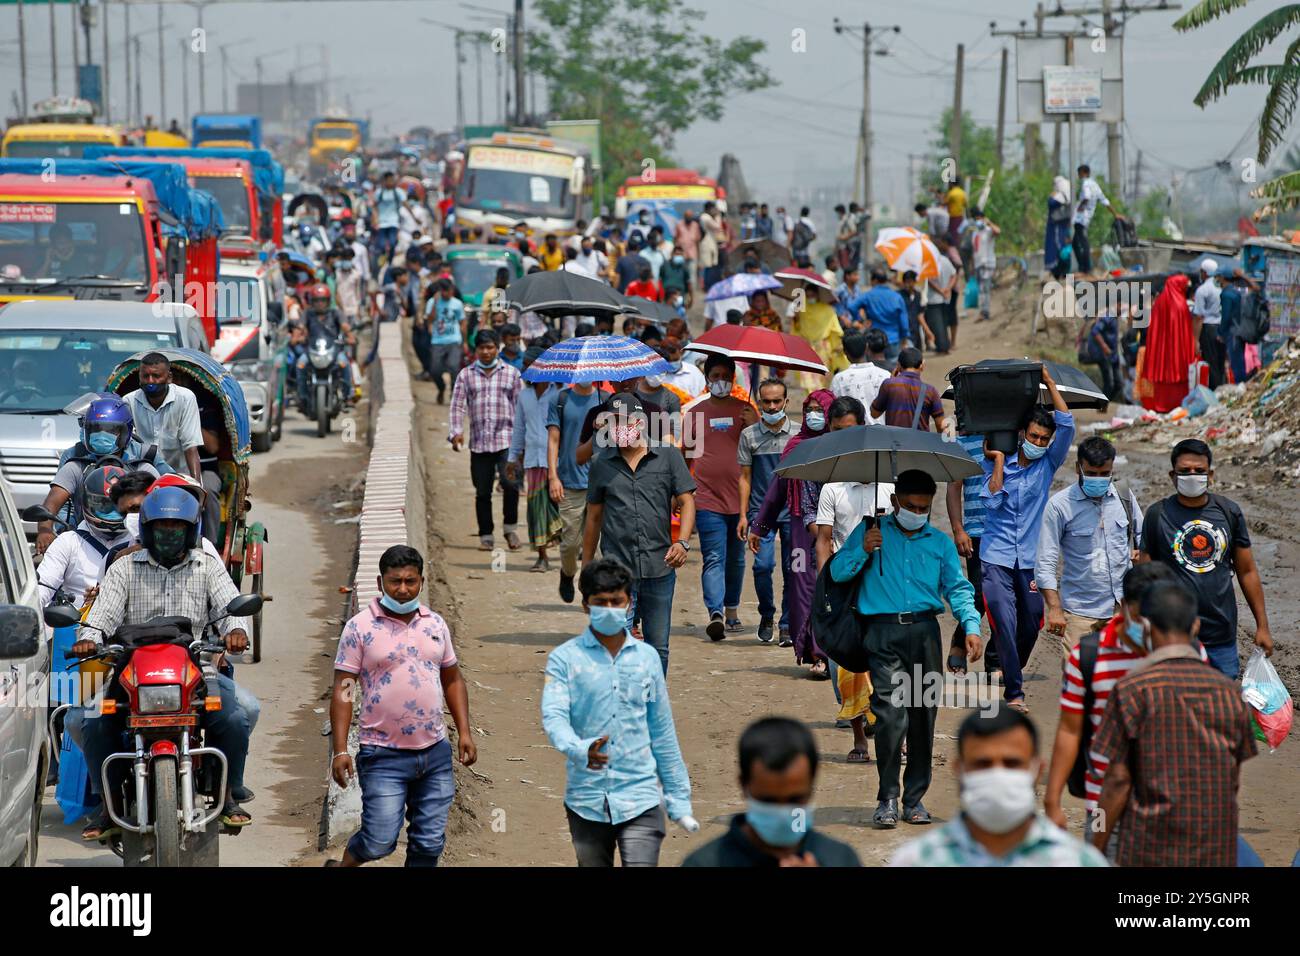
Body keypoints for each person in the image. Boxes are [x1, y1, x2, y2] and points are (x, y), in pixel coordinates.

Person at [72, 487, 255, 834]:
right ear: (146, 528)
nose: (169, 534)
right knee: (93, 722)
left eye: (177, 527)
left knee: (234, 716)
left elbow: (231, 608)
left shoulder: (207, 567)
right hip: (131, 670)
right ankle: (107, 806)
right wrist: (88, 640)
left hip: (194, 668)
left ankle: (227, 793)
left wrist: (236, 631)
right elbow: (100, 617)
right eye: (161, 527)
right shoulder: (125, 568)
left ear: (191, 530)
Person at [830, 469, 980, 827]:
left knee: (922, 719)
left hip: (926, 635)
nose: (917, 511)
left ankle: (915, 799)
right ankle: (887, 798)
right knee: (890, 717)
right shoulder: (870, 533)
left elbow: (957, 588)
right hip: (882, 636)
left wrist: (971, 625)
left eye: (924, 507)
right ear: (895, 502)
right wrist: (862, 552)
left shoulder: (940, 543)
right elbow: (837, 574)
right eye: (910, 505)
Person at [541, 558, 697, 866]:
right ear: (585, 605)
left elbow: (662, 729)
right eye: (601, 602)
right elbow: (554, 717)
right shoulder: (564, 660)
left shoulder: (648, 659)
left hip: (641, 798)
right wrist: (579, 748)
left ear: (628, 604)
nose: (610, 608)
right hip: (586, 800)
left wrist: (678, 797)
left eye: (617, 601)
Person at [328, 545, 475, 867]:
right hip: (382, 754)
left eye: (411, 581)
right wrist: (340, 750)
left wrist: (464, 732)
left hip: (434, 752)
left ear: (422, 581)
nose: (404, 589)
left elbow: (452, 679)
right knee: (379, 841)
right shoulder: (360, 628)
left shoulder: (435, 625)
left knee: (429, 843)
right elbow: (344, 690)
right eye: (396, 581)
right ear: (381, 583)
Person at [1091, 582, 1256, 866]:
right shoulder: (1231, 694)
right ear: (1194, 627)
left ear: (1146, 628)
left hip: (1149, 847)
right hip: (1214, 846)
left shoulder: (1132, 690)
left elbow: (1116, 781)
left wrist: (1095, 845)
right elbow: (1233, 778)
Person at [1044, 561, 1205, 850]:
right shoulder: (1090, 655)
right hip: (1102, 805)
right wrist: (1052, 799)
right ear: (1125, 607)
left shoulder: (1189, 651)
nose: (1149, 626)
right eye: (1142, 615)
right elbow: (1070, 729)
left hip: (1170, 801)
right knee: (1099, 850)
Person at [891, 709, 1107, 866]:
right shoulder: (917, 860)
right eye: (982, 764)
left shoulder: (1078, 861)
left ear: (1037, 770)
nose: (997, 774)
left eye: (1012, 763)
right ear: (959, 769)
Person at [980, 367, 1075, 707]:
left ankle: (1011, 667)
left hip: (1030, 558)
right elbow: (990, 500)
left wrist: (1049, 383)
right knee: (1003, 619)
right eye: (1032, 436)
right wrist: (999, 462)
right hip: (995, 556)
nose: (1037, 443)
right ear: (1022, 433)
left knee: (1032, 622)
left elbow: (1068, 425)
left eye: (1042, 440)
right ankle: (1014, 693)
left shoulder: (1047, 465)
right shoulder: (996, 460)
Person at [583, 393, 696, 674]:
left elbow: (687, 501)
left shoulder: (668, 456)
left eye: (625, 420)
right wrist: (586, 570)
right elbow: (594, 517)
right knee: (616, 643)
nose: (619, 427)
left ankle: (652, 703)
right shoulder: (601, 464)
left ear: (640, 422)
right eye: (613, 421)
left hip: (660, 567)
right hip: (616, 571)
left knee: (658, 647)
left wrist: (683, 542)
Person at [1140, 438, 1273, 678]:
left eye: (1199, 471)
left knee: (1221, 709)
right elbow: (1144, 576)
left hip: (1220, 636)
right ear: (1172, 475)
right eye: (1185, 471)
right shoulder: (1157, 515)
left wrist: (1262, 626)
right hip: (1173, 635)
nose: (1192, 475)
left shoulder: (1228, 512)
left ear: (1210, 474)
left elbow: (1247, 571)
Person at [813, 397, 889, 763]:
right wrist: (823, 586)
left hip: (884, 585)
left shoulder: (889, 487)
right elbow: (824, 540)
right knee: (843, 664)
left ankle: (894, 735)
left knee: (887, 661)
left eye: (852, 429)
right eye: (839, 430)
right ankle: (859, 735)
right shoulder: (832, 488)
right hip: (844, 586)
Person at [683, 717, 860, 867]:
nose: (782, 814)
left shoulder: (841, 859)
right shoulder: (705, 863)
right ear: (744, 786)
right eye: (768, 801)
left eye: (795, 799)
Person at [750, 390, 835, 673]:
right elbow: (776, 491)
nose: (813, 414)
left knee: (831, 590)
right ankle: (813, 651)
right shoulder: (795, 446)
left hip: (835, 530)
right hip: (801, 533)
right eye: (808, 408)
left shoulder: (841, 447)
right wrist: (759, 527)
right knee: (801, 587)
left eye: (819, 409)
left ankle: (830, 652)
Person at [1035, 437, 1142, 662]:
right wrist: (1054, 608)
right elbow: (1046, 560)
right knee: (1078, 680)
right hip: (1079, 612)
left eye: (1105, 474)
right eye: (1092, 473)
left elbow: (1143, 539)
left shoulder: (1124, 497)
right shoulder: (1060, 506)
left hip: (1121, 609)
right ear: (1078, 469)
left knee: (1120, 679)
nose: (1099, 479)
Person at [683, 356, 758, 640]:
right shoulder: (695, 413)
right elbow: (685, 454)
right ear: (707, 379)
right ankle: (715, 612)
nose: (720, 380)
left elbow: (763, 451)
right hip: (706, 498)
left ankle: (732, 610)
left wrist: (756, 424)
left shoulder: (746, 411)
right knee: (714, 556)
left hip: (741, 500)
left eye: (726, 375)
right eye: (715, 375)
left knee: (737, 558)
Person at [35, 396, 169, 553]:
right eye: (95, 429)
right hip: (84, 540)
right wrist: (45, 531)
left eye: (110, 430)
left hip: (132, 541)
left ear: (125, 432)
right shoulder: (76, 466)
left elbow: (162, 504)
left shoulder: (142, 466)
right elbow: (52, 503)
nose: (101, 435)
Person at [449, 328, 524, 552]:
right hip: (479, 443)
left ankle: (510, 529)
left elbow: (521, 408)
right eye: (481, 348)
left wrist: (522, 440)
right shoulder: (466, 375)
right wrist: (455, 432)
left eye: (490, 347)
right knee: (482, 491)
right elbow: (457, 406)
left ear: (497, 348)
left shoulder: (512, 374)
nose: (486, 352)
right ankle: (486, 535)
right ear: (476, 350)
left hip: (506, 441)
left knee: (511, 485)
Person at [737, 378, 795, 646]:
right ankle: (767, 614)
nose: (772, 407)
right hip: (762, 515)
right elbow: (745, 477)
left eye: (776, 401)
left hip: (793, 512)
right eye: (766, 402)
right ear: (759, 403)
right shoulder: (749, 435)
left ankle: (786, 623)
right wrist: (743, 514)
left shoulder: (798, 435)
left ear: (786, 401)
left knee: (793, 568)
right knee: (762, 566)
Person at [944, 428, 998, 680]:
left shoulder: (1019, 440)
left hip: (1010, 532)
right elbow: (954, 486)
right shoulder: (963, 441)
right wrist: (958, 529)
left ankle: (995, 660)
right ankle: (959, 641)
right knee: (980, 592)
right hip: (976, 530)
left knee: (1005, 599)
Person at [547, 377, 603, 603]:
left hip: (601, 483)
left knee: (599, 548)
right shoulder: (560, 399)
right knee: (570, 544)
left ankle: (592, 592)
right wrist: (553, 477)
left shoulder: (606, 400)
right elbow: (553, 440)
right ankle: (567, 574)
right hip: (569, 482)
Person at [507, 347, 560, 573]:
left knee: (559, 507)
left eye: (530, 364)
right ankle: (542, 556)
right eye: (524, 365)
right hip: (532, 460)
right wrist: (512, 458)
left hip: (557, 461)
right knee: (536, 510)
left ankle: (565, 541)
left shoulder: (559, 393)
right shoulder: (524, 396)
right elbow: (519, 428)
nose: (526, 368)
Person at [1136, 272, 1196, 412]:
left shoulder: (1159, 303)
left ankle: (1159, 406)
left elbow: (1154, 331)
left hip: (1161, 351)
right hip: (1178, 352)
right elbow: (1185, 332)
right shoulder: (1181, 304)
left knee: (1162, 379)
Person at [870, 348, 945, 432]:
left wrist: (891, 381)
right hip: (921, 443)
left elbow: (874, 414)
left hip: (894, 443)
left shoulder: (889, 385)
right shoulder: (930, 391)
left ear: (898, 366)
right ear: (922, 366)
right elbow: (941, 425)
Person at [790, 283, 847, 389]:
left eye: (813, 295)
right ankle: (812, 402)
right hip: (807, 349)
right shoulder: (801, 310)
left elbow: (835, 329)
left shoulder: (828, 310)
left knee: (822, 380)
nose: (810, 298)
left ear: (818, 295)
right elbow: (797, 328)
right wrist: (796, 318)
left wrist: (839, 344)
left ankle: (820, 403)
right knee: (807, 381)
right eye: (808, 295)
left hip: (823, 349)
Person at [1074, 165, 1126, 276]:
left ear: (1083, 173)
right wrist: (1115, 214)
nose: (1078, 176)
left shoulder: (1086, 183)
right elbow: (1104, 201)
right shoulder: (1095, 185)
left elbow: (1086, 197)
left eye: (1079, 173)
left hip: (1081, 217)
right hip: (1087, 217)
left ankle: (1085, 268)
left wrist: (1080, 207)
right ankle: (1083, 267)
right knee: (1076, 242)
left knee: (1082, 242)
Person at [848, 270, 910, 363]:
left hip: (874, 340)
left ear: (874, 280)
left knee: (875, 369)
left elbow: (852, 307)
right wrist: (904, 338)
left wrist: (859, 320)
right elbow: (904, 322)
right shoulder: (897, 296)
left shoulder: (868, 296)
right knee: (893, 369)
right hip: (893, 339)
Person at [829, 332, 890, 422]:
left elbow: (833, 410)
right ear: (866, 347)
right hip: (881, 432)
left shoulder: (839, 379)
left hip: (852, 434)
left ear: (845, 352)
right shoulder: (885, 375)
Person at [1192, 257, 1226, 389]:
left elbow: (1199, 317)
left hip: (1209, 328)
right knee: (1220, 361)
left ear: (1204, 272)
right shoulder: (1222, 287)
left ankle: (1215, 390)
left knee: (1211, 362)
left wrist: (1195, 340)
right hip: (1222, 326)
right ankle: (1222, 388)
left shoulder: (1202, 290)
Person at [924, 238, 959, 354]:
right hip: (945, 297)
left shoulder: (929, 262)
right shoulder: (945, 260)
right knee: (943, 323)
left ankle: (942, 347)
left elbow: (929, 280)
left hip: (934, 298)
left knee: (937, 324)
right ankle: (945, 346)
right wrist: (948, 288)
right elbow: (954, 275)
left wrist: (940, 290)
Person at [965, 208, 999, 321]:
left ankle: (985, 312)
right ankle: (983, 311)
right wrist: (972, 266)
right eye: (976, 219)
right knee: (981, 289)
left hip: (988, 263)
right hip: (978, 264)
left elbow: (998, 231)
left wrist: (988, 222)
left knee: (985, 288)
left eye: (979, 219)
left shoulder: (989, 230)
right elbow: (974, 251)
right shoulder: (975, 233)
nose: (978, 221)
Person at [370, 171, 406, 272]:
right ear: (384, 181)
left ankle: (390, 261)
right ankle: (382, 259)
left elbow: (405, 204)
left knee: (393, 243)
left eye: (392, 180)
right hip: (382, 223)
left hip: (393, 222)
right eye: (388, 180)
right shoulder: (379, 193)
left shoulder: (398, 192)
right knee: (381, 245)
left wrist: (414, 218)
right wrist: (375, 219)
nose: (390, 182)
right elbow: (374, 207)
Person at [1046, 176, 1073, 281]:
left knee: (1059, 250)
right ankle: (1061, 274)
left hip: (1058, 228)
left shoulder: (1056, 198)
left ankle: (1062, 273)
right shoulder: (1065, 197)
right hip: (1061, 227)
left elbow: (1051, 202)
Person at [698, 202, 725, 291]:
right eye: (714, 209)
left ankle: (709, 285)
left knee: (711, 265)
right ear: (709, 209)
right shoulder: (705, 217)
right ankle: (707, 286)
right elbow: (717, 227)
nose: (715, 211)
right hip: (707, 244)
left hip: (711, 243)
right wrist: (718, 216)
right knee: (708, 266)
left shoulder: (707, 217)